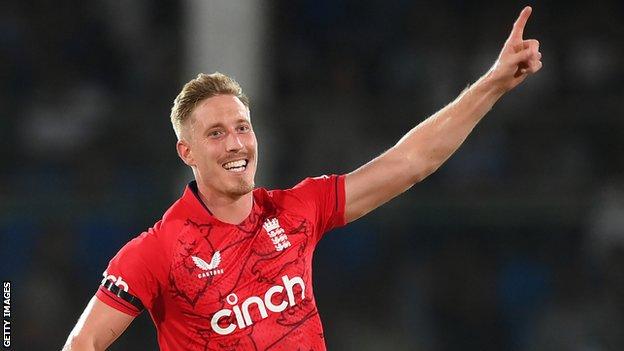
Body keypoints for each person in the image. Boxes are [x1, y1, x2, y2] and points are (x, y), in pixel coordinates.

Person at [63, 6, 542, 351]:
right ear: (186, 152)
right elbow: (83, 342)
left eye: (242, 127)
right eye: (215, 133)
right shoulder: (159, 249)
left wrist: (494, 82)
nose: (235, 143)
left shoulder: (296, 209)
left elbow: (412, 163)